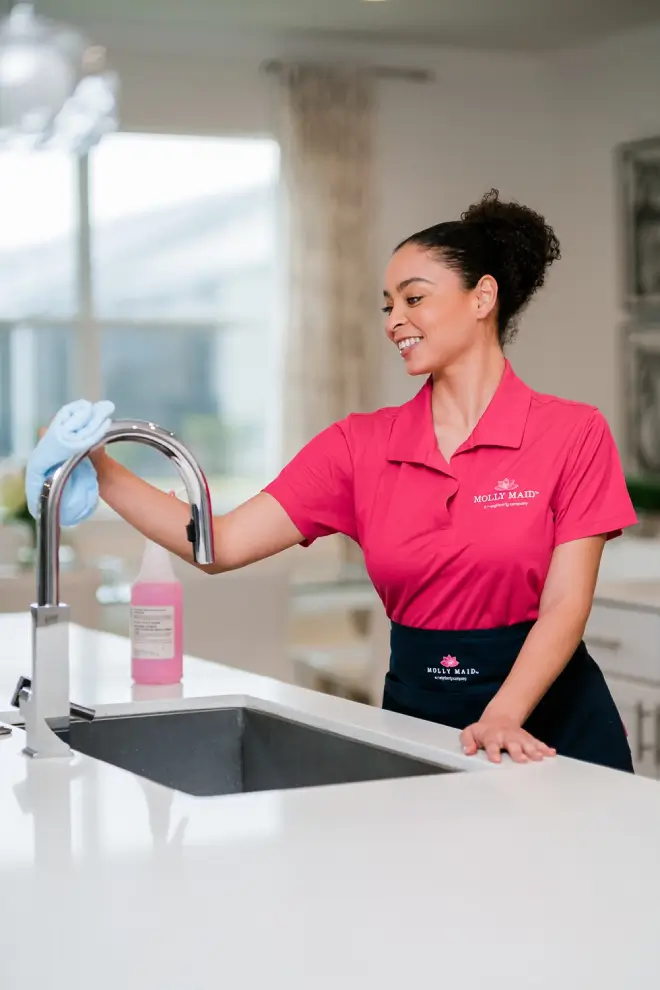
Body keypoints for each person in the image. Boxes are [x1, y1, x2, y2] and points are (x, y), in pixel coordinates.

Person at [27, 188, 638, 771]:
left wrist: (503, 715)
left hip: (551, 734)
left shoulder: (571, 433)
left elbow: (565, 604)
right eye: (387, 305)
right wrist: (99, 467)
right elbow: (223, 543)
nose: (394, 318)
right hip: (419, 723)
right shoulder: (358, 446)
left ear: (483, 298)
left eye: (414, 298)